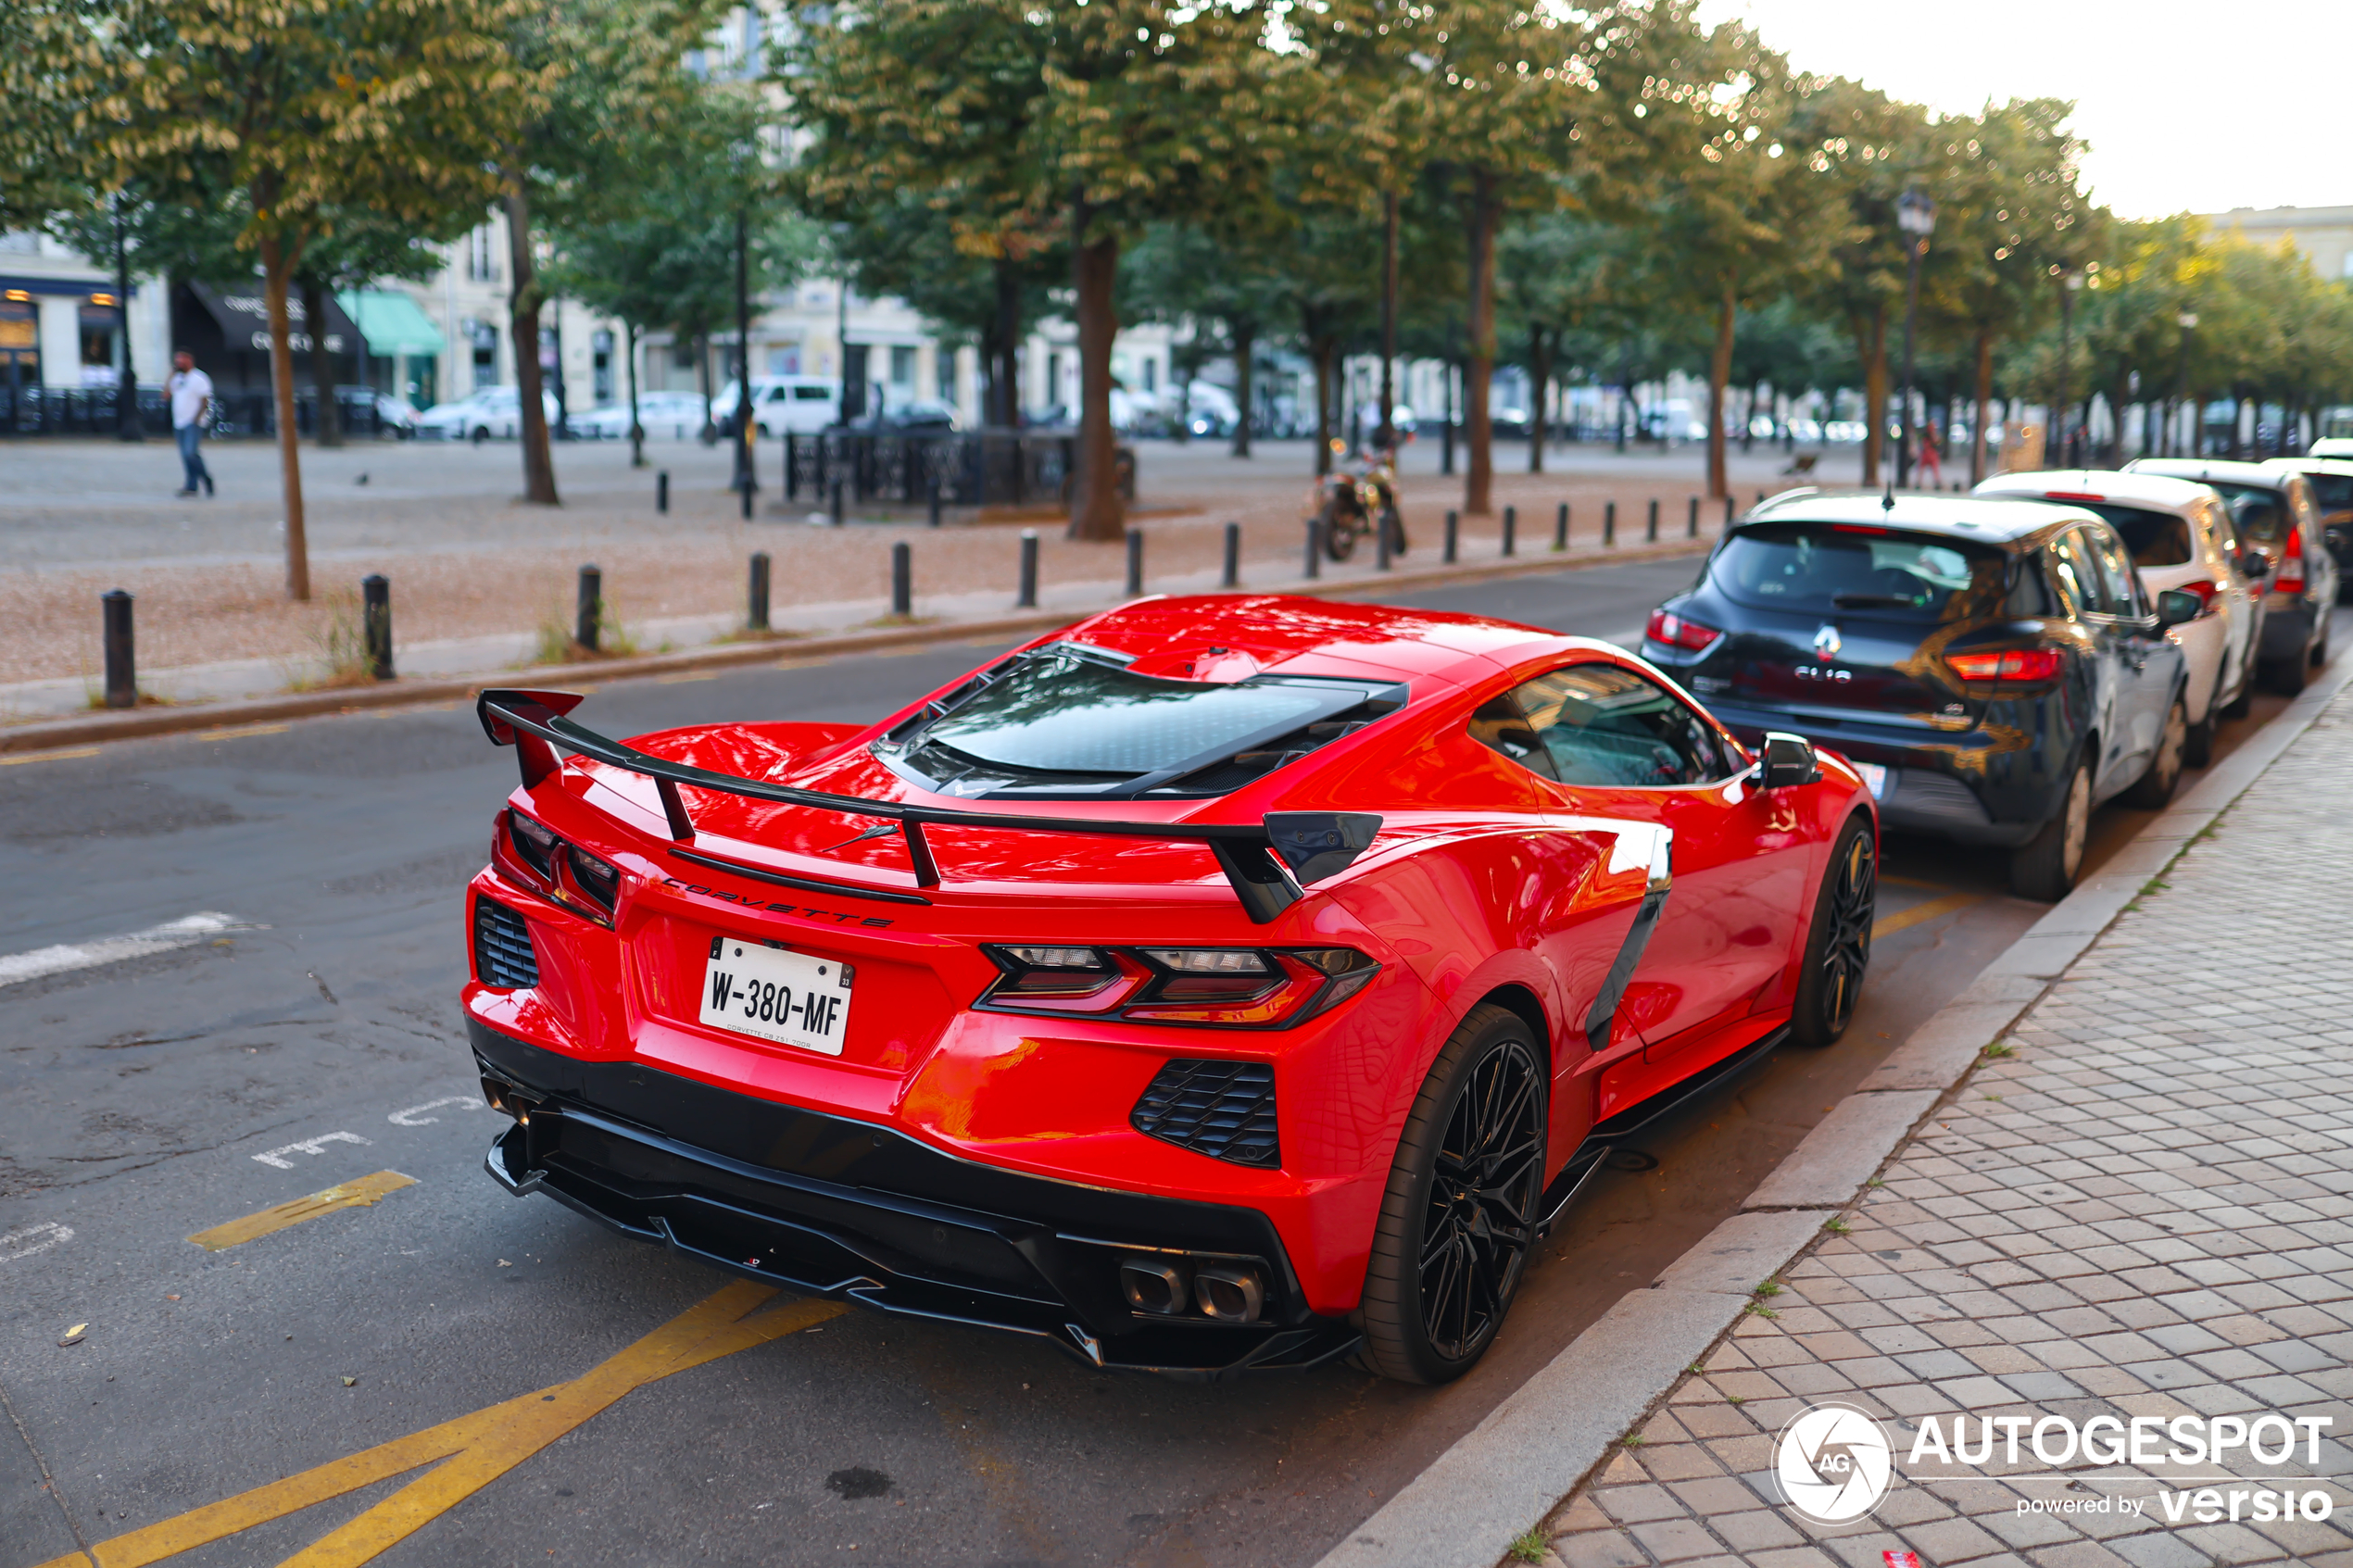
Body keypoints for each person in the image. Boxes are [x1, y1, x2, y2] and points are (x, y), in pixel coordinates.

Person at [167, 349, 214, 497]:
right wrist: (170, 375)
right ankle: (191, 485)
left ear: (190, 360)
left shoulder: (199, 378)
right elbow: (166, 395)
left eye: (182, 359)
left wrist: (196, 419)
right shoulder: (178, 379)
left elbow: (204, 400)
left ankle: (205, 478)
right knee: (186, 455)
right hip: (179, 422)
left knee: (190, 453)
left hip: (193, 422)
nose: (178, 362)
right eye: (177, 359)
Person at [1917, 421, 1943, 489]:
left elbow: (1937, 442)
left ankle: (1937, 482)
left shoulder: (1932, 435)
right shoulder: (1927, 436)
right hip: (1928, 454)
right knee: (1923, 469)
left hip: (1930, 455)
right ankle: (1919, 482)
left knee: (1934, 469)